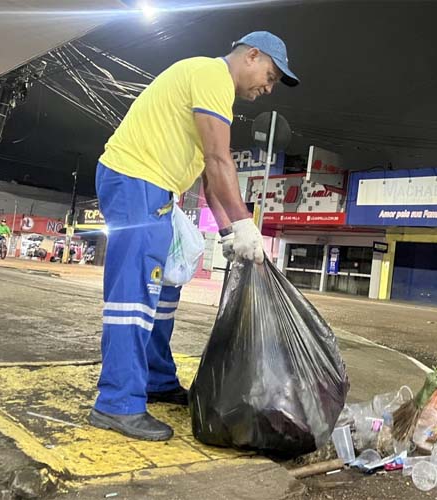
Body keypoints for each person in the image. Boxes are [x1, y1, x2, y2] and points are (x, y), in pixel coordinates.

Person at [89, 31, 299, 441]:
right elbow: (221, 161)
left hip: (157, 189)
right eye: (270, 76)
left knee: (165, 289)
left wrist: (227, 231)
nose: (268, 88)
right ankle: (116, 402)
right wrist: (243, 224)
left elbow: (208, 177)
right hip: (136, 180)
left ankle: (156, 379)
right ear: (251, 56)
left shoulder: (211, 86)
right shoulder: (212, 76)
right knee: (135, 294)